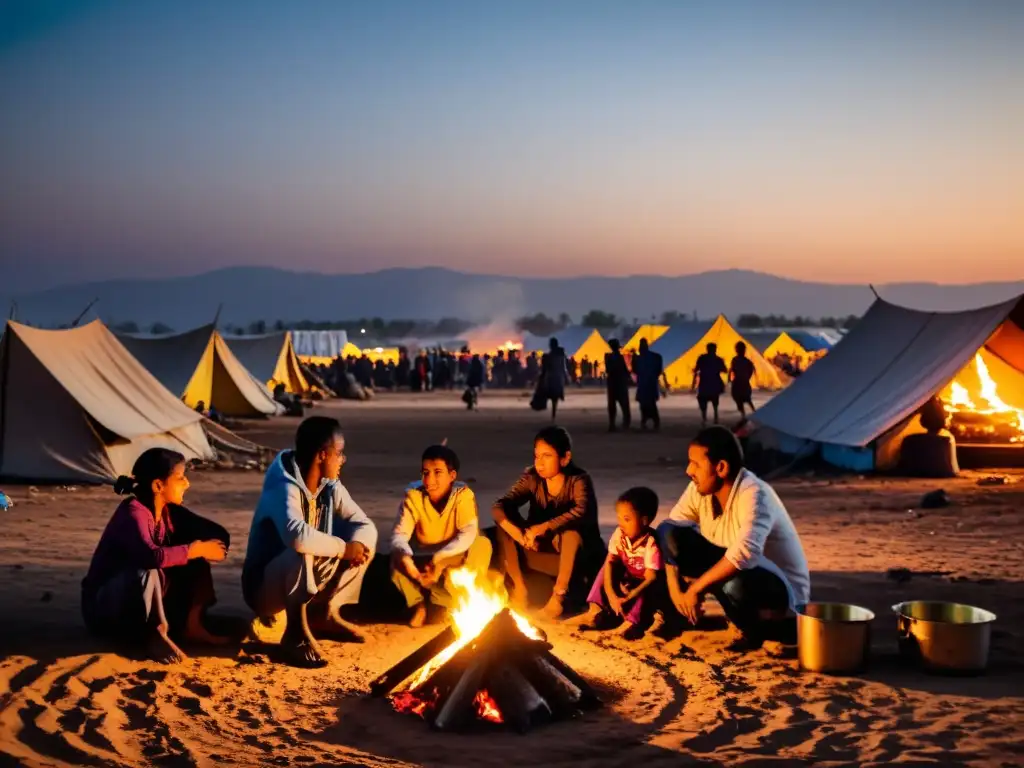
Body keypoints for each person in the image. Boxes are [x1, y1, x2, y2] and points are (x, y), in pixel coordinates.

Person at [657, 426, 810, 650]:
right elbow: (670, 529)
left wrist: (696, 588)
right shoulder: (698, 489)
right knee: (668, 533)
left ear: (721, 468)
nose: (689, 470)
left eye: (697, 464)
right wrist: (676, 591)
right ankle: (687, 615)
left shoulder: (754, 494)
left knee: (735, 582)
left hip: (780, 592)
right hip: (740, 572)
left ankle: (761, 629)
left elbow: (745, 554)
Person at [242, 416, 378, 667]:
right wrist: (344, 549)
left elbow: (364, 523)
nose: (342, 460)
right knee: (302, 548)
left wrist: (356, 545)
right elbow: (296, 535)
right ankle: (294, 633)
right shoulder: (283, 486)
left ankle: (321, 612)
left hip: (301, 579)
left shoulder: (330, 487)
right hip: (264, 589)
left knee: (359, 537)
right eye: (339, 453)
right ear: (322, 455)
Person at [82, 448, 230, 663]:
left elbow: (216, 533)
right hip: (103, 609)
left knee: (193, 557)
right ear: (158, 486)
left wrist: (211, 548)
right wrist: (194, 549)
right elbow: (151, 557)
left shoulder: (170, 512)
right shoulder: (133, 512)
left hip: (137, 605)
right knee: (148, 567)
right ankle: (155, 634)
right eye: (180, 478)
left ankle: (193, 626)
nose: (187, 483)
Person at [492, 426, 604, 619]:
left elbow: (581, 511)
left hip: (572, 558)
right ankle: (520, 588)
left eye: (547, 456)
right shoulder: (532, 477)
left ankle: (558, 597)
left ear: (565, 458)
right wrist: (522, 536)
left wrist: (543, 528)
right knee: (503, 527)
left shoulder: (578, 480)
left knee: (572, 534)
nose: (539, 463)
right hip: (537, 551)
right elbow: (499, 507)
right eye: (536, 456)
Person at [390, 444, 493, 627]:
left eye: (438, 472)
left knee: (482, 544)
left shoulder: (463, 495)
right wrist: (405, 557)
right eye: (425, 472)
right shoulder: (413, 495)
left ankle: (459, 600)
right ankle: (418, 605)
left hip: (453, 556)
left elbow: (468, 532)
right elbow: (400, 534)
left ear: (452, 475)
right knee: (396, 560)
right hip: (425, 558)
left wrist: (440, 560)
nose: (429, 480)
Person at [578, 487, 663, 640]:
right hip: (628, 579)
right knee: (606, 566)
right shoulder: (619, 534)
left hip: (645, 587)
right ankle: (595, 610)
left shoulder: (650, 542)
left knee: (647, 587)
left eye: (627, 519)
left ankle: (630, 623)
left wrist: (629, 597)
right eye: (619, 518)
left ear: (644, 520)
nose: (621, 524)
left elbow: (651, 578)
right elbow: (610, 563)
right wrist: (611, 595)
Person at [632, 338, 668, 430]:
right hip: (649, 383)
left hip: (645, 384)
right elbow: (659, 371)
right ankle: (652, 422)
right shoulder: (655, 357)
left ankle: (648, 421)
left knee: (645, 404)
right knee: (650, 404)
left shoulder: (640, 359)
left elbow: (635, 370)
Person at [692, 342, 727, 425]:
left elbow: (696, 370)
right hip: (714, 382)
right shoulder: (718, 359)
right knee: (714, 400)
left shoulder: (702, 358)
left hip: (705, 382)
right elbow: (725, 370)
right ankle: (715, 417)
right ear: (715, 349)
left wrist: (693, 383)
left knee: (703, 400)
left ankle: (705, 418)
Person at [604, 339, 631, 431]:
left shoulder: (608, 357)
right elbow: (624, 370)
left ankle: (612, 424)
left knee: (612, 405)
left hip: (612, 383)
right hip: (620, 383)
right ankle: (626, 423)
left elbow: (608, 370)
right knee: (624, 405)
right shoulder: (619, 357)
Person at [539, 338, 568, 421]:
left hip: (552, 377)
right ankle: (553, 414)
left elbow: (547, 368)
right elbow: (563, 367)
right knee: (554, 398)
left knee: (552, 396)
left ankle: (553, 414)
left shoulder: (551, 356)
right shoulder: (560, 355)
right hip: (558, 377)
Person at [729, 341, 756, 419]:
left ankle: (744, 415)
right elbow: (751, 371)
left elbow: (732, 369)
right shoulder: (747, 361)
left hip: (739, 382)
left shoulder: (736, 360)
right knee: (746, 399)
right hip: (742, 382)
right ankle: (750, 413)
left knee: (741, 399)